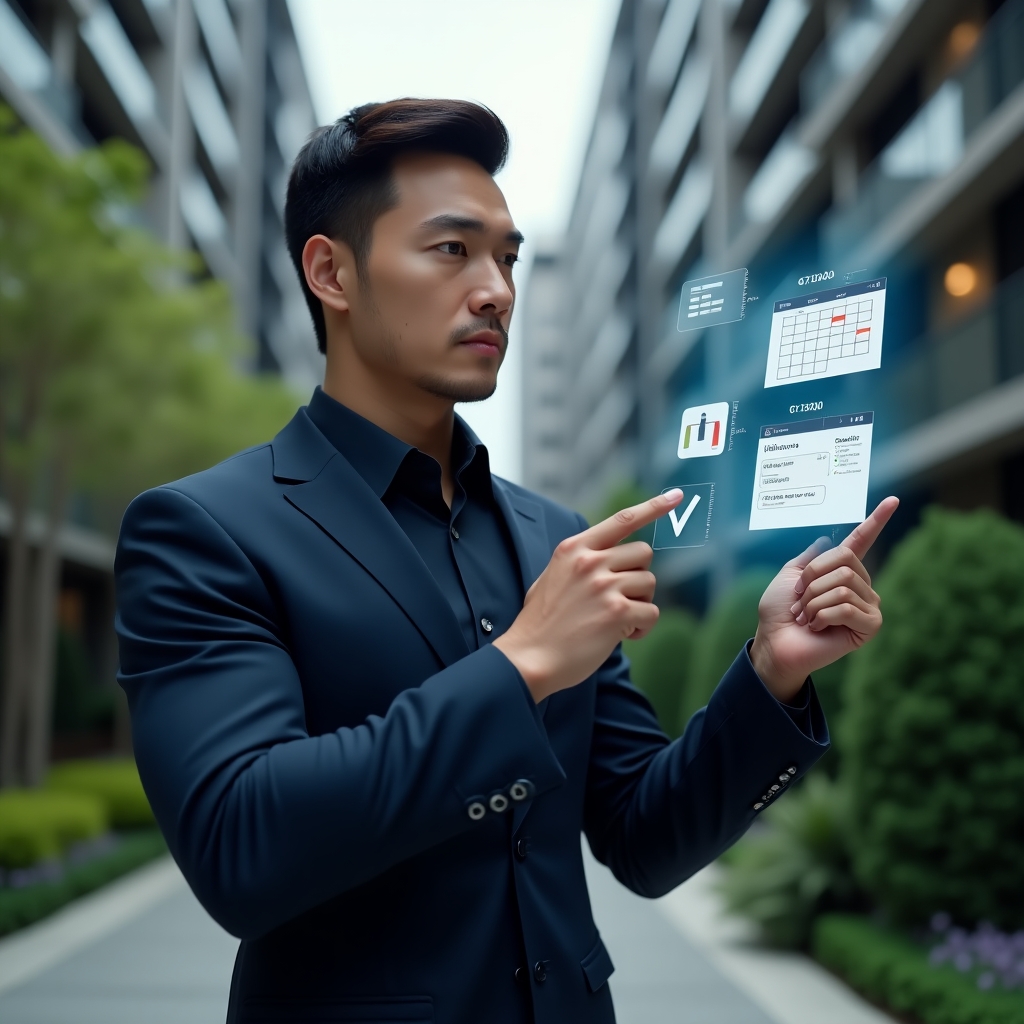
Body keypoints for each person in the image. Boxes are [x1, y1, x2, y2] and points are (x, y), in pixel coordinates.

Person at [115, 99, 898, 1024]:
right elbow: (241, 849)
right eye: (452, 250)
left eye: (508, 258)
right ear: (331, 271)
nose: (495, 289)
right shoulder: (205, 530)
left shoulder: (548, 537)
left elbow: (644, 838)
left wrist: (770, 676)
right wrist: (521, 665)